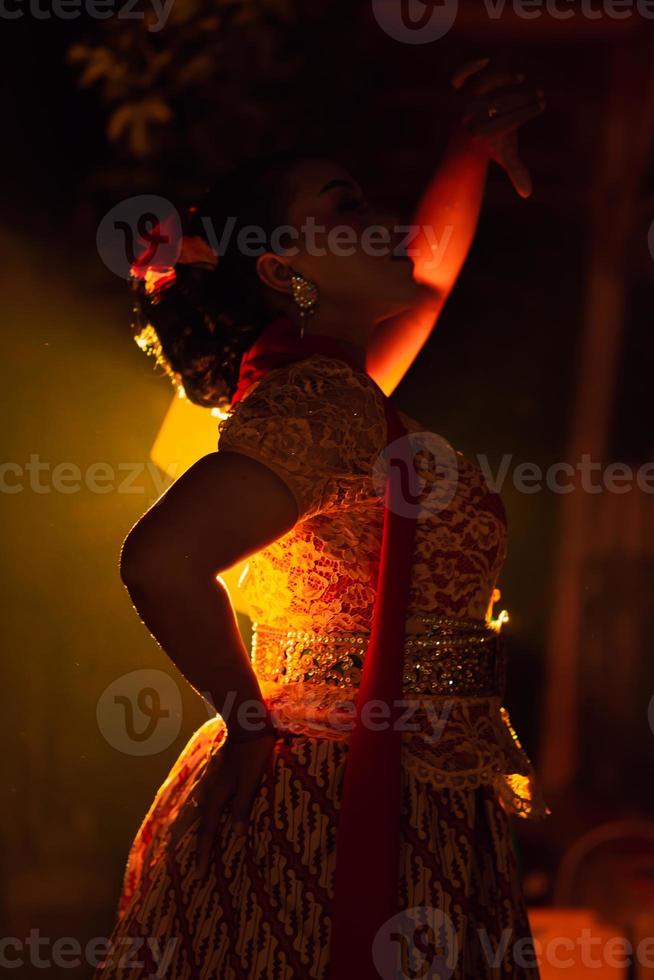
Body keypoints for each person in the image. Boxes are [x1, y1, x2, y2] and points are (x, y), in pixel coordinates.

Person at [96, 60, 549, 979]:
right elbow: (161, 560)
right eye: (345, 210)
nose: (379, 223)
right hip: (335, 797)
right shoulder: (325, 408)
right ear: (283, 272)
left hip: (381, 779)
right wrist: (249, 723)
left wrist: (466, 155)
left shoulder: (339, 395)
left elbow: (425, 271)